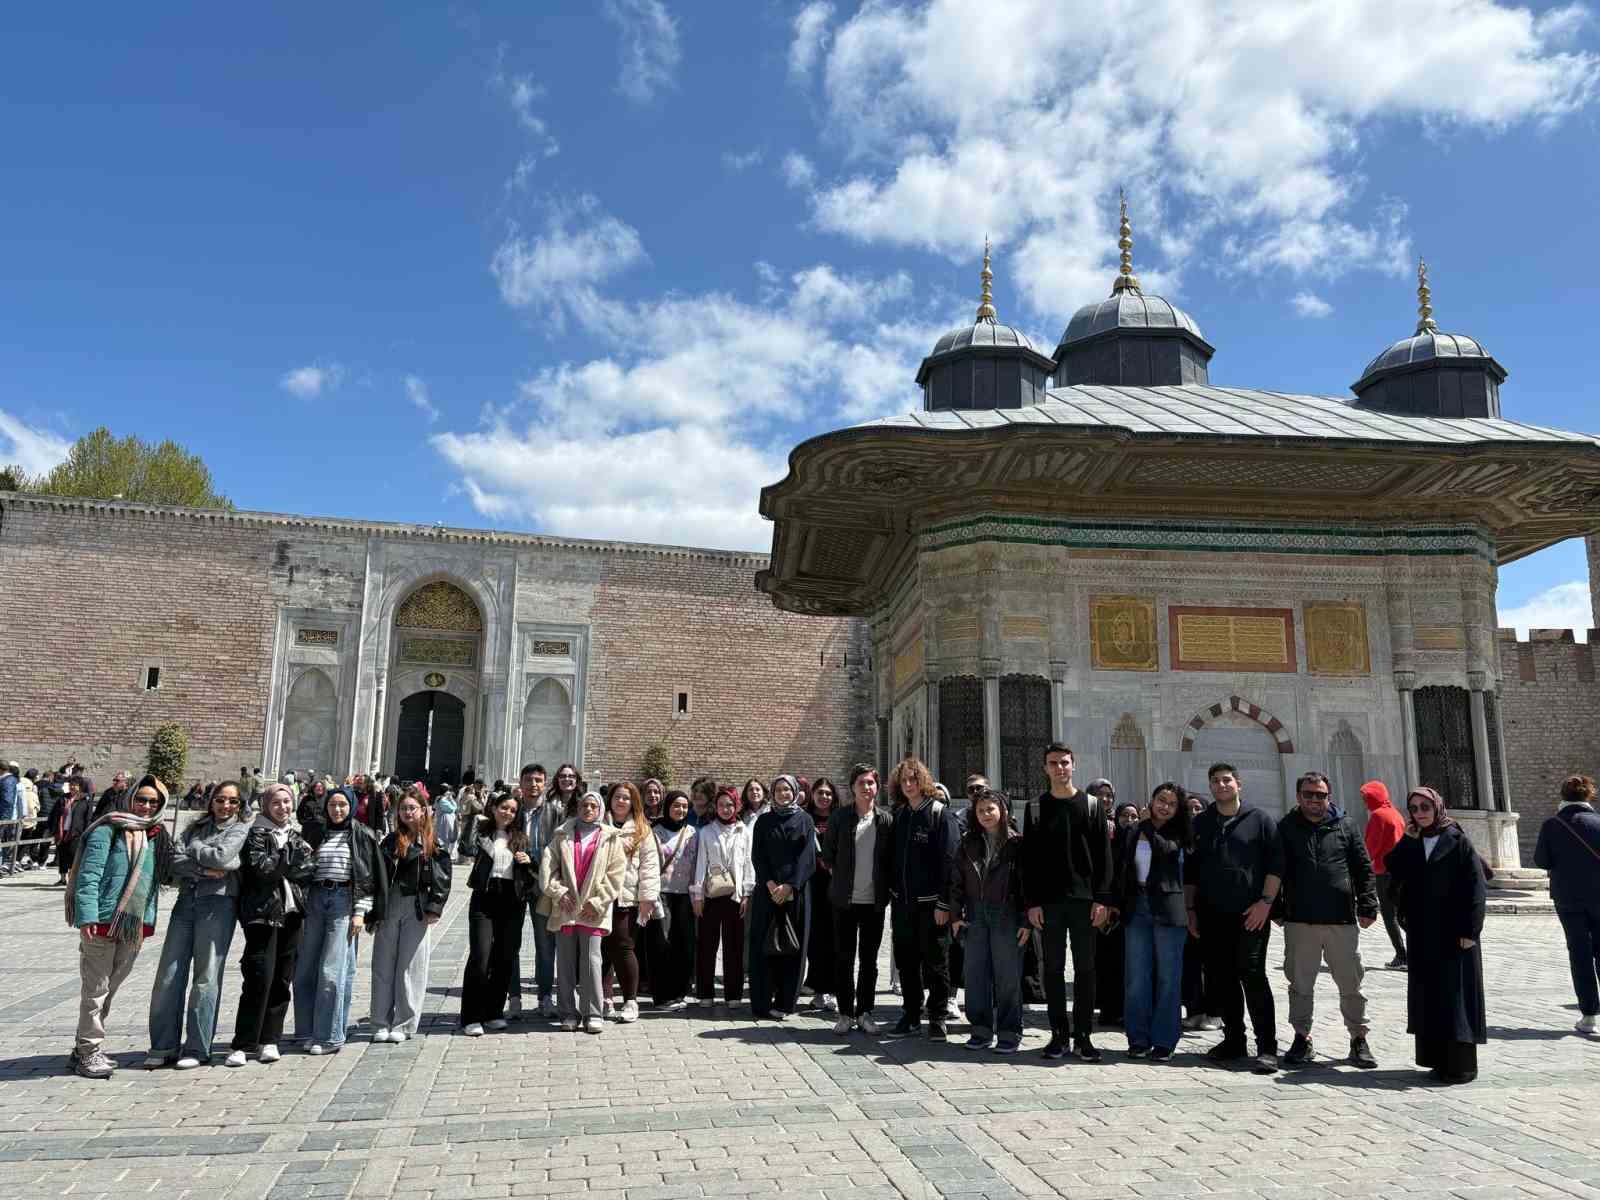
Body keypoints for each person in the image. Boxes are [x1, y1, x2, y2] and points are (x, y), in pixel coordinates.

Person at [66, 775, 172, 1079]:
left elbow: (166, 876)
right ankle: (89, 1051)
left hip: (134, 925)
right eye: (141, 799)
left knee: (109, 989)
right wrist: (87, 915)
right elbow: (89, 875)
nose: (146, 806)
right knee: (96, 989)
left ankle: (82, 1048)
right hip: (101, 921)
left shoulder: (157, 834)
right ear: (130, 798)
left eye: (153, 802)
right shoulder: (107, 829)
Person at [1275, 770, 1379, 1069]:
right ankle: (1301, 1037)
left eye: (1320, 795)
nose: (1314, 800)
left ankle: (1358, 1038)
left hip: (1340, 919)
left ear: (1328, 796)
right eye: (1308, 794)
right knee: (1300, 984)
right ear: (1298, 796)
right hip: (1300, 920)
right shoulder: (1286, 827)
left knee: (1351, 983)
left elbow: (1362, 866)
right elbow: (1275, 868)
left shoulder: (1346, 825)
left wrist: (1368, 904)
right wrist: (1277, 909)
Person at [1385, 786, 1487, 1083]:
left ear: (1437, 807)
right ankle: (1437, 1060)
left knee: (1455, 997)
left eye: (1425, 807)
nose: (1420, 813)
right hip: (1423, 932)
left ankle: (1461, 1066)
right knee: (1430, 996)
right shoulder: (1415, 840)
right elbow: (1393, 867)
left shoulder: (1457, 839)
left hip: (1455, 933)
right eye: (1414, 809)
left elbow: (1476, 887)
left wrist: (1470, 930)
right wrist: (1407, 839)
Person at [1185, 763, 1283, 1074]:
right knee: (1222, 978)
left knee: (1252, 975)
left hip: (1251, 915)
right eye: (1215, 781)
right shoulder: (1201, 823)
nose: (1221, 785)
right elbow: (1191, 872)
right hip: (1212, 915)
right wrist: (1191, 911)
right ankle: (1234, 1040)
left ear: (1239, 784)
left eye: (1226, 780)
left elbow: (1276, 866)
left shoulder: (1260, 820)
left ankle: (1267, 1047)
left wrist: (1265, 904)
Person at [145, 779, 249, 1069]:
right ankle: (163, 1045)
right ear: (211, 800)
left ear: (240, 805)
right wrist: (204, 869)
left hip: (218, 904)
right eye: (220, 799)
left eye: (233, 801)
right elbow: (174, 860)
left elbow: (224, 858)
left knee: (206, 976)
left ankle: (197, 1047)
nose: (225, 805)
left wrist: (194, 851)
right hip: (186, 902)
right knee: (168, 974)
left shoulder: (240, 829)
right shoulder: (195, 827)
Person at [1021, 743, 1113, 1061]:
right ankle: (1059, 1034)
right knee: (1053, 969)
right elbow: (1029, 861)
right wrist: (1032, 903)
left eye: (1064, 762)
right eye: (1053, 763)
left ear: (1074, 765)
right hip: (1049, 903)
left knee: (1086, 969)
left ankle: (1083, 1036)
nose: (1059, 768)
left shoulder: (1091, 806)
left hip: (1085, 902)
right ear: (1045, 768)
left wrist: (1102, 900)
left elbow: (1103, 857)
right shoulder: (1035, 808)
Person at [294, 788, 388, 1054]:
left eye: (342, 805)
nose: (337, 810)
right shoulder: (317, 831)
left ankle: (329, 1036)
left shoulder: (361, 834)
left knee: (332, 971)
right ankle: (307, 1031)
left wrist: (360, 912)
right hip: (315, 900)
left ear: (352, 806)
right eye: (333, 804)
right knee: (305, 969)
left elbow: (367, 876)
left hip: (342, 901)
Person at [230, 782, 313, 1067]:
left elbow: (307, 869)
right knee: (258, 977)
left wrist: (282, 862)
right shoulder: (255, 834)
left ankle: (270, 1039)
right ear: (265, 805)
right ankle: (243, 1044)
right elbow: (262, 871)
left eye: (287, 802)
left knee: (281, 979)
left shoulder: (294, 834)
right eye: (276, 802)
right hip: (262, 914)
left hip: (292, 914)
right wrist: (288, 858)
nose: (282, 807)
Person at [1113, 783, 1194, 1060]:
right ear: (1152, 800)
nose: (1165, 807)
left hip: (1169, 910)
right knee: (1137, 977)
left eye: (1171, 804)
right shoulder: (1134, 831)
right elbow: (1122, 866)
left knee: (1168, 978)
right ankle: (1138, 1038)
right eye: (1161, 800)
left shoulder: (1180, 832)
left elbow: (1165, 851)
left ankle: (1164, 1040)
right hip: (1137, 906)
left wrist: (1147, 825)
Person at [887, 757, 960, 1042]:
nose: (908, 785)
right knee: (906, 962)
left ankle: (938, 1017)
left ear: (923, 780)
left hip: (932, 904)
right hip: (903, 902)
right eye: (904, 780)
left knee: (936, 963)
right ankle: (911, 1014)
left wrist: (944, 903)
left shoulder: (939, 814)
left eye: (913, 779)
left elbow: (950, 862)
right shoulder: (900, 814)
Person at [949, 786, 1027, 1052]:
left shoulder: (1017, 844)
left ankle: (1009, 1031)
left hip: (1007, 914)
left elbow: (1026, 886)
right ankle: (980, 1030)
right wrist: (955, 915)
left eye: (990, 809)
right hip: (975, 914)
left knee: (1008, 976)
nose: (985, 814)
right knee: (976, 975)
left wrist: (1026, 921)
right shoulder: (967, 843)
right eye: (980, 810)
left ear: (1002, 811)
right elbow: (956, 881)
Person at [542, 790, 626, 1034]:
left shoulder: (611, 838)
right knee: (565, 963)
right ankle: (568, 1012)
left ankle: (593, 1013)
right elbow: (549, 867)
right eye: (584, 806)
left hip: (593, 911)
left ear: (600, 810)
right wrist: (558, 892)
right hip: (566, 908)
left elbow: (616, 874)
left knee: (591, 962)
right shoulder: (562, 835)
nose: (588, 810)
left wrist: (599, 901)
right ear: (577, 808)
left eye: (593, 806)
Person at [371, 787, 451, 1043]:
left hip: (417, 905)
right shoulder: (390, 841)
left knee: (411, 965)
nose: (407, 813)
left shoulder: (432, 842)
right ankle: (380, 1022)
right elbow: (377, 875)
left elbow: (442, 878)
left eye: (412, 808)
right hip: (390, 904)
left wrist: (435, 907)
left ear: (423, 811)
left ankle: (404, 1023)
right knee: (383, 964)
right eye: (403, 808)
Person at [821, 764, 893, 1036]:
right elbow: (828, 855)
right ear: (852, 787)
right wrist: (843, 879)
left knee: (869, 961)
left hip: (874, 902)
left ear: (878, 787)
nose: (866, 787)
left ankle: (865, 1012)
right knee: (844, 959)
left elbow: (890, 860)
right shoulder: (840, 818)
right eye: (861, 782)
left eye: (870, 782)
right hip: (844, 902)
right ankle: (845, 1013)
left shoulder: (885, 820)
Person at [460, 792, 536, 1036]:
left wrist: (528, 861)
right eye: (504, 807)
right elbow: (465, 848)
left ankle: (493, 1012)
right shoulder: (482, 832)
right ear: (494, 809)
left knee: (505, 957)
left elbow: (531, 874)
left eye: (513, 810)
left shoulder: (520, 838)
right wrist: (475, 824)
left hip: (512, 898)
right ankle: (471, 1016)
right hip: (485, 896)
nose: (508, 813)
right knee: (481, 956)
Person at [1533, 774, 1600, 1035]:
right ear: (1589, 795)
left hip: (1568, 899)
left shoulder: (1552, 824)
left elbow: (1542, 861)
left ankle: (1589, 1016)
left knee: (1579, 953)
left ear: (1562, 796)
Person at [748, 775, 816, 1020]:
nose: (783, 793)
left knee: (792, 948)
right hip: (767, 892)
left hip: (796, 893)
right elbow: (758, 856)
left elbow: (807, 858)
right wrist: (769, 884)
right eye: (778, 789)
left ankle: (785, 1002)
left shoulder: (805, 820)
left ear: (795, 792)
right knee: (762, 946)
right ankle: (761, 1002)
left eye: (787, 789)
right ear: (772, 793)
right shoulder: (764, 821)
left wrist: (789, 886)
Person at [601, 782, 660, 1023]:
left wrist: (647, 898)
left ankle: (630, 1001)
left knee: (624, 947)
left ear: (633, 802)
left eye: (626, 798)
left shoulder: (641, 830)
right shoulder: (598, 824)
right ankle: (603, 998)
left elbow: (650, 867)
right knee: (600, 950)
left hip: (626, 897)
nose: (621, 801)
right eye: (617, 797)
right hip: (599, 897)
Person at [692, 785, 753, 1008]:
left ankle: (733, 994)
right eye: (721, 805)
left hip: (735, 895)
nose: (725, 809)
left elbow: (748, 862)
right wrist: (697, 895)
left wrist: (746, 893)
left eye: (729, 805)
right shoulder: (707, 831)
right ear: (715, 807)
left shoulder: (744, 831)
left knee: (734, 945)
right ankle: (705, 993)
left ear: (736, 806)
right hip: (711, 893)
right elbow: (701, 863)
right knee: (707, 944)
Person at [509, 763, 559, 1021]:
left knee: (545, 943)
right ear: (521, 783)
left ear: (545, 783)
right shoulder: (512, 810)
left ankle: (545, 997)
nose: (533, 784)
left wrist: (536, 862)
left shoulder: (555, 812)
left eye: (538, 780)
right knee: (511, 943)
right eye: (529, 779)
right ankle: (514, 998)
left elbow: (559, 848)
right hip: (514, 884)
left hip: (542, 884)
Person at [646, 789, 698, 1009]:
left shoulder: (692, 832)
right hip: (661, 894)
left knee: (683, 944)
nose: (680, 810)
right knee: (661, 944)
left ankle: (679, 993)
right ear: (667, 807)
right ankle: (662, 996)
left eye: (685, 806)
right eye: (676, 805)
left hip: (685, 895)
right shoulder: (655, 831)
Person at [1097, 800, 1141, 1029]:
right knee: (1109, 964)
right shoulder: (1109, 844)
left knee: (1132, 965)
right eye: (1125, 816)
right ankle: (1109, 1010)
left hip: (1134, 912)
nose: (1129, 820)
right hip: (1111, 914)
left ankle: (1128, 1010)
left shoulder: (1141, 842)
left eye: (1134, 817)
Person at [1362, 780, 1408, 969]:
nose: (1365, 802)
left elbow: (1370, 848)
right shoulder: (1395, 813)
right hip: (1401, 871)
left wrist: (1361, 866)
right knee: (1402, 914)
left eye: (1366, 798)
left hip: (1385, 873)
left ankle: (1402, 956)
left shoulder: (1378, 816)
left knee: (1390, 916)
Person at [803, 777, 840, 1012]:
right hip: (812, 886)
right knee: (815, 942)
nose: (824, 797)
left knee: (835, 941)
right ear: (813, 795)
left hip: (836, 886)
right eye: (820, 793)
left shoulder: (840, 818)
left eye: (828, 793)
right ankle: (818, 990)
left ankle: (833, 990)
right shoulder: (805, 819)